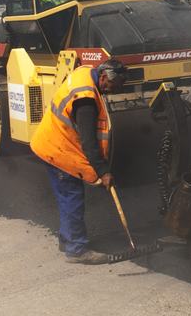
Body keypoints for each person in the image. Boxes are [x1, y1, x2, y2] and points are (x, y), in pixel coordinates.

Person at [29, 58, 128, 264]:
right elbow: (88, 141)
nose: (112, 91)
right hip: (59, 149)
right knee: (72, 198)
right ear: (103, 77)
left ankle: (67, 240)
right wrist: (103, 171)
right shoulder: (86, 100)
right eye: (111, 85)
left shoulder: (86, 74)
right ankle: (76, 250)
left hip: (53, 141)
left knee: (67, 196)